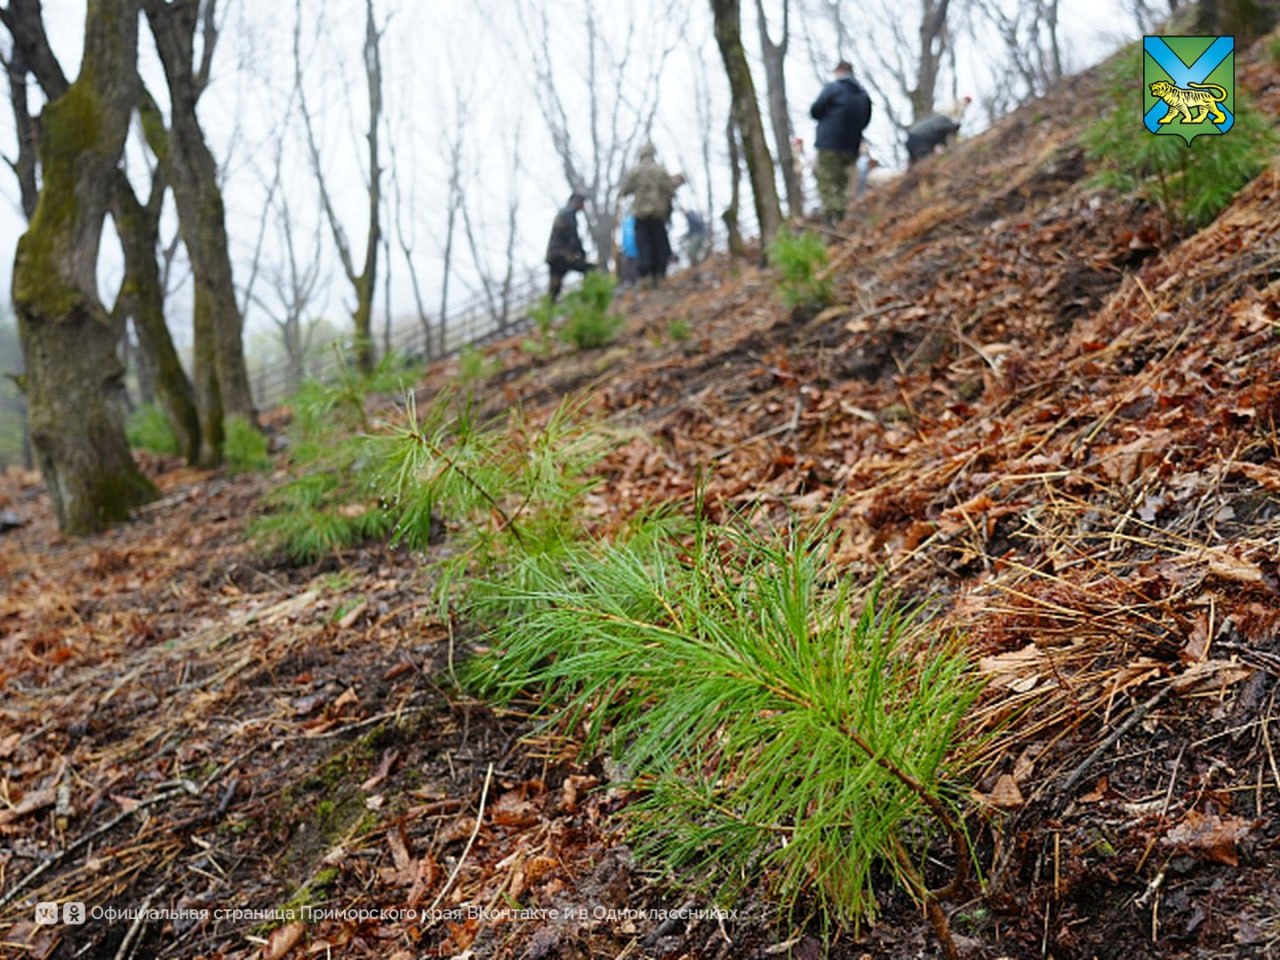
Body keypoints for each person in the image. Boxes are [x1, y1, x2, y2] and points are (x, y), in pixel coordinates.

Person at [809, 60, 872, 225]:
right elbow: (865, 121)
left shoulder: (833, 88)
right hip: (851, 146)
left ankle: (832, 221)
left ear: (839, 71)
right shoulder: (863, 95)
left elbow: (815, 110)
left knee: (828, 183)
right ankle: (842, 218)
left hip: (829, 145)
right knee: (843, 184)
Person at [619, 144, 677, 285]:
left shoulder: (635, 172)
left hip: (641, 215)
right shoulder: (661, 171)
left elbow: (624, 190)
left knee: (643, 245)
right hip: (658, 214)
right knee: (660, 244)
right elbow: (670, 190)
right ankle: (660, 275)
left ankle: (646, 278)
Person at [544, 191, 595, 302]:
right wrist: (581, 254)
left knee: (554, 289)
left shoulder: (564, 213)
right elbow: (573, 237)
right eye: (582, 203)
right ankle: (588, 299)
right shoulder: (568, 214)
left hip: (554, 256)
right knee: (590, 269)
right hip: (561, 256)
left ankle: (548, 311)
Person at [905, 95, 971, 166]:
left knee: (915, 164)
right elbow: (940, 129)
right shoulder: (944, 121)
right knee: (927, 161)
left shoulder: (936, 121)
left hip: (911, 138)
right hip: (920, 139)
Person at [619, 212, 639, 287]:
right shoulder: (634, 221)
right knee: (633, 264)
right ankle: (632, 281)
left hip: (628, 248)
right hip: (634, 247)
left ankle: (628, 281)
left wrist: (624, 245)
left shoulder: (625, 222)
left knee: (629, 264)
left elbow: (624, 235)